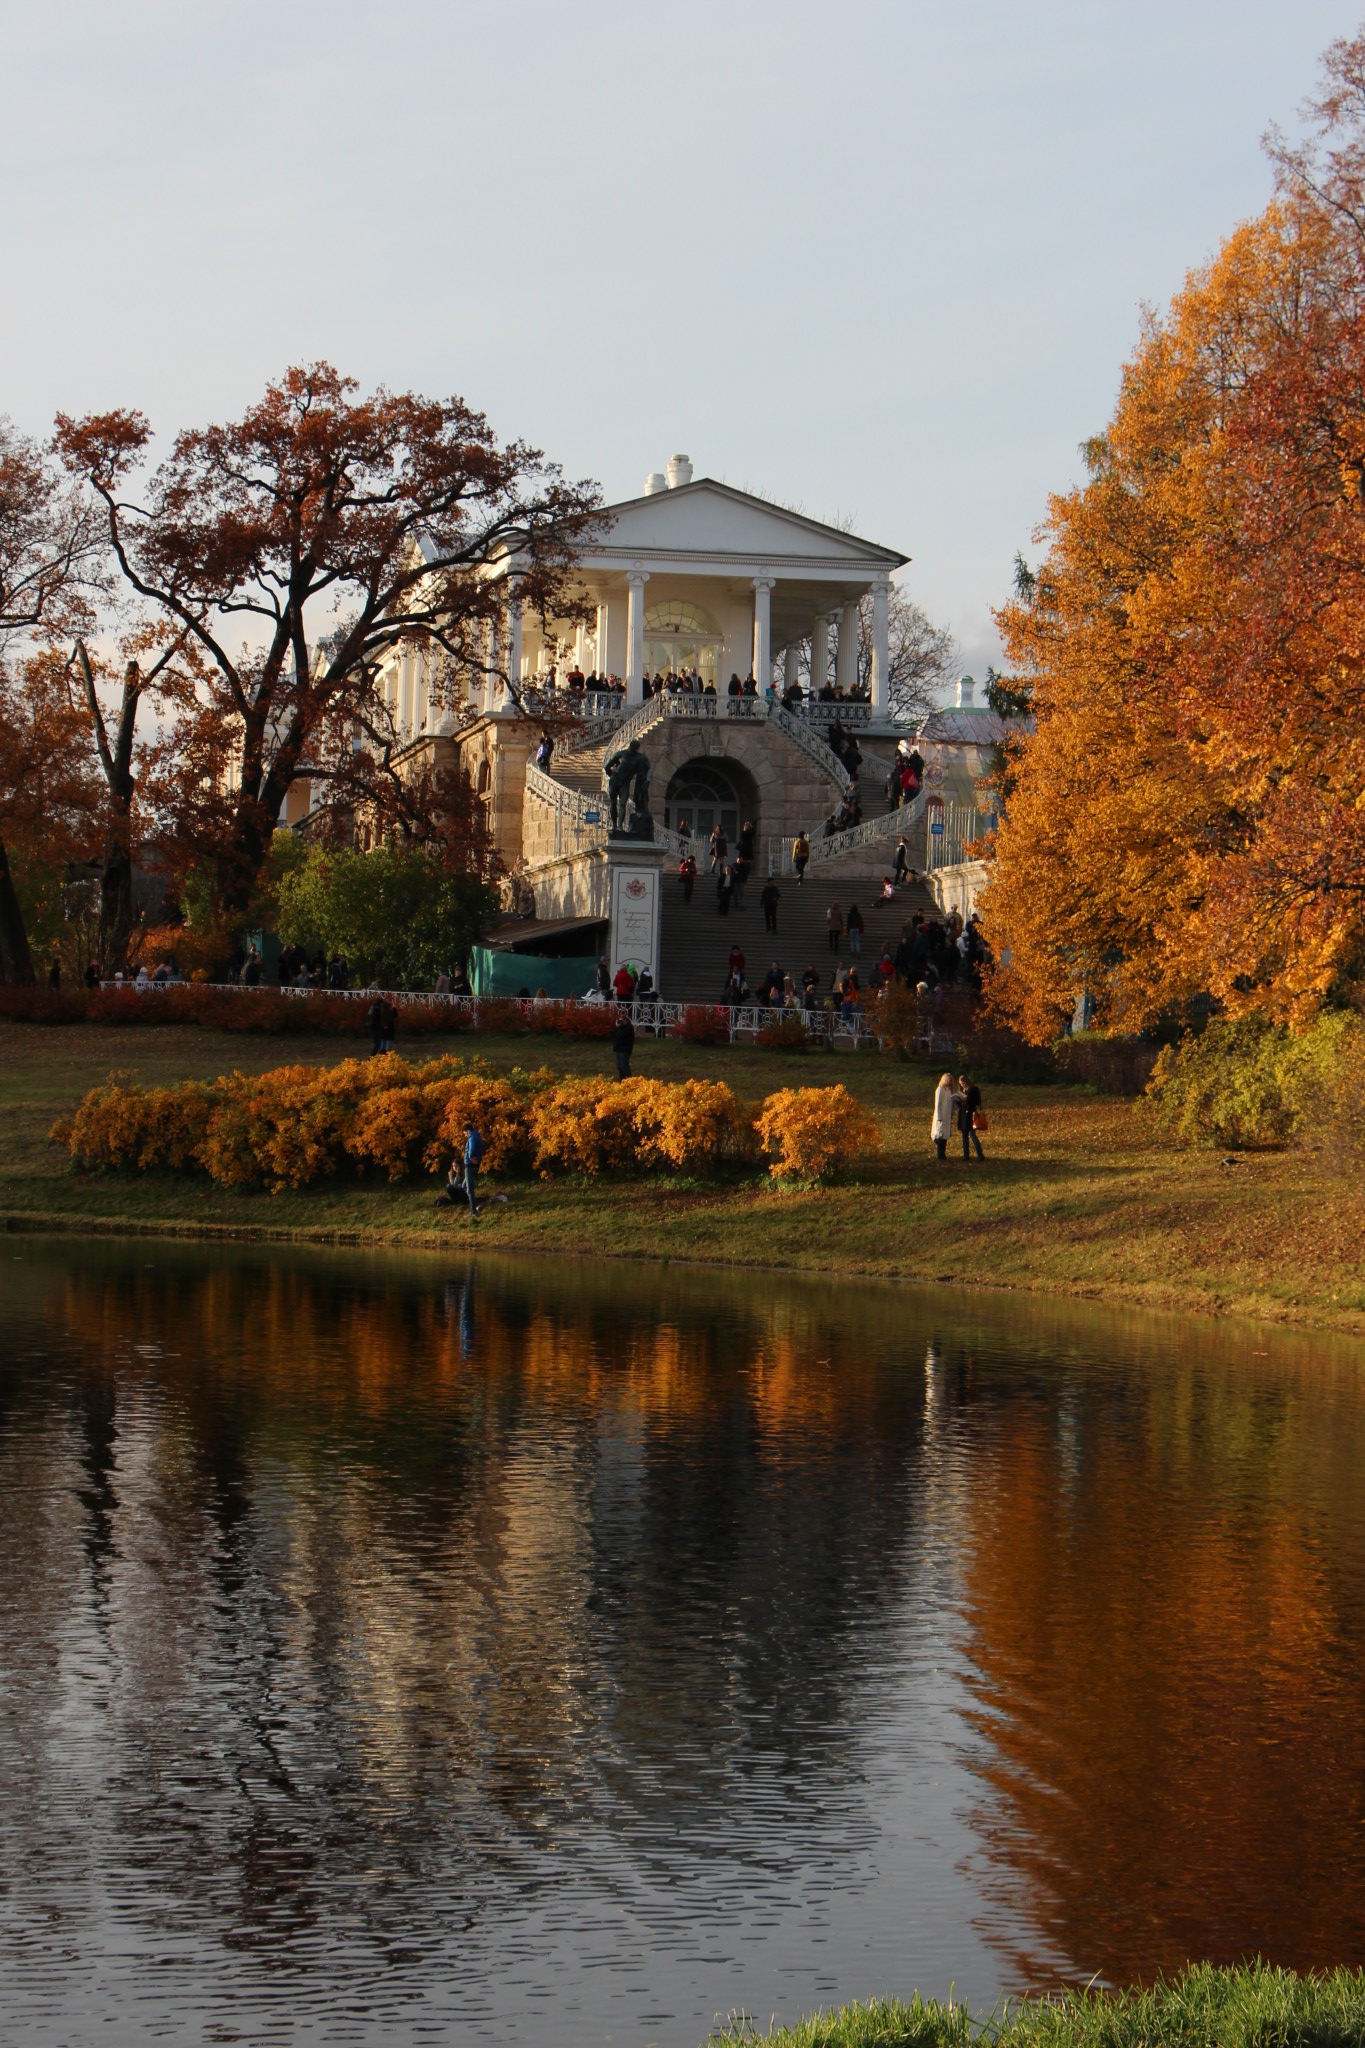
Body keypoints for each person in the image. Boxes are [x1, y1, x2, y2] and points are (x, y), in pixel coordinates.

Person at [957, 1072, 985, 1160]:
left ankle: (980, 1155)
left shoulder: (973, 1089)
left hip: (970, 1114)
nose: (963, 1084)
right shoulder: (961, 1090)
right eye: (961, 1083)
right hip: (963, 1115)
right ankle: (966, 1155)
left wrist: (966, 1099)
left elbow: (977, 1101)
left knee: (972, 1135)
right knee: (964, 1136)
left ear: (967, 1081)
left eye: (964, 1082)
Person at [931, 1072, 957, 1162]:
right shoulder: (940, 1090)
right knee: (939, 1135)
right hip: (941, 1115)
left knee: (945, 1135)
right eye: (948, 1080)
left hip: (947, 1115)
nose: (949, 1082)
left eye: (951, 1080)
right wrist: (939, 1117)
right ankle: (940, 1155)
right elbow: (937, 1104)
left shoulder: (949, 1090)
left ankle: (943, 1154)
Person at [461, 1119, 484, 1219]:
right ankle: (476, 1205)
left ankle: (473, 1212)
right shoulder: (477, 1136)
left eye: (465, 1133)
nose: (465, 1135)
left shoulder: (472, 1137)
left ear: (467, 1131)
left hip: (469, 1165)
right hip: (473, 1164)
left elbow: (473, 1148)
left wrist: (470, 1156)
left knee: (469, 1188)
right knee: (464, 1186)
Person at [613, 1006, 635, 1080]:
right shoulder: (619, 1025)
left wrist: (621, 1027)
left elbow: (622, 1035)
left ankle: (629, 1081)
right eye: (621, 1013)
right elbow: (614, 1034)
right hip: (618, 1048)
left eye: (624, 1013)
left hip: (625, 1049)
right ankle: (621, 1081)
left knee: (624, 1065)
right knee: (619, 1066)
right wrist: (616, 1027)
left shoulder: (629, 1026)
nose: (622, 1016)